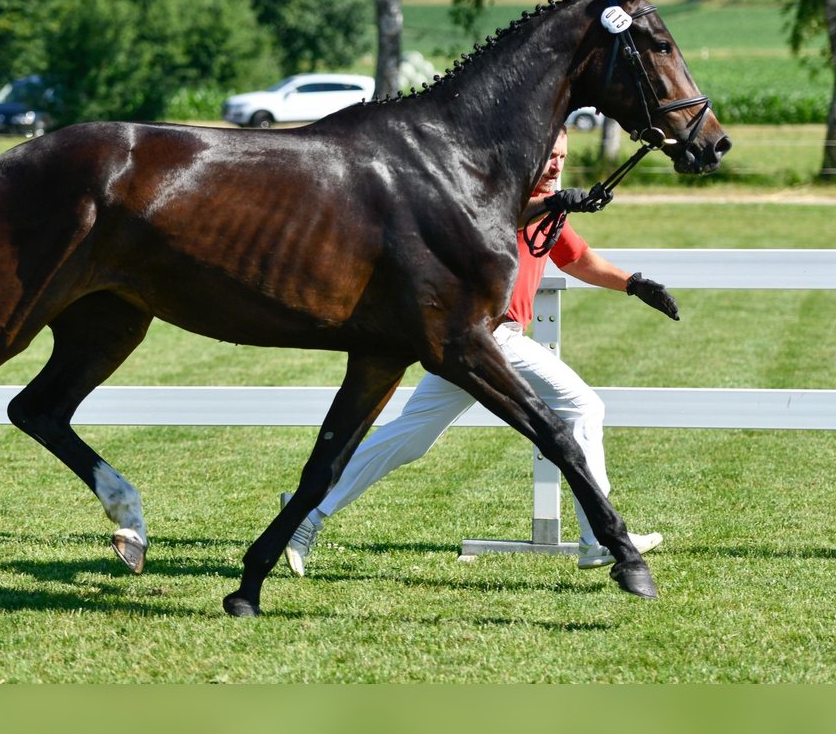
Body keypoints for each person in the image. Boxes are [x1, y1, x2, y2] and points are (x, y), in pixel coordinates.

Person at [281, 125, 680, 576]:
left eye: (563, 158)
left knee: (410, 438)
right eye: (549, 156)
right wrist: (556, 202)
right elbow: (506, 219)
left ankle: (304, 514)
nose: (556, 166)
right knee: (584, 406)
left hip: (468, 345)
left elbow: (577, 259)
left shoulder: (549, 207)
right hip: (492, 337)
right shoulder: (497, 195)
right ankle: (601, 537)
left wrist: (634, 284)